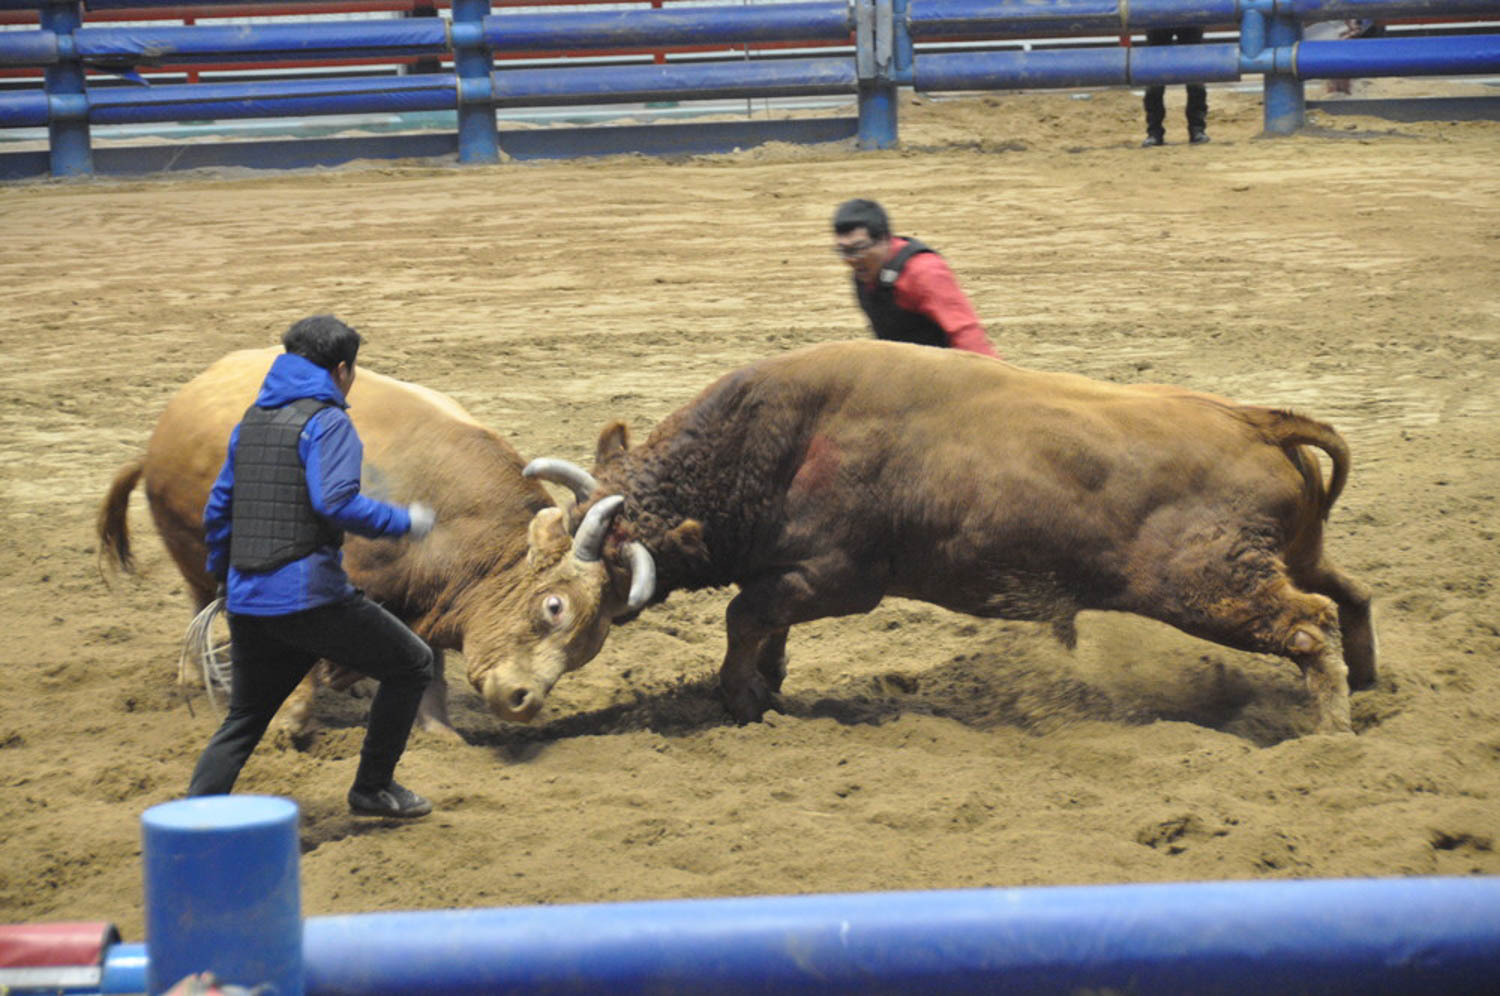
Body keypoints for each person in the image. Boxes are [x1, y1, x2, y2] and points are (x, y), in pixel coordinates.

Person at [187, 315, 439, 819]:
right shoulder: (328, 422)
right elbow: (337, 503)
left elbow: (219, 508)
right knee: (412, 665)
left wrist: (223, 577)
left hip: (248, 597)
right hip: (309, 598)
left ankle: (191, 819)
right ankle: (373, 788)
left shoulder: (253, 420)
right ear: (342, 370)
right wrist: (404, 521)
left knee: (245, 719)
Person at [830, 199, 1001, 358]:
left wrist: (993, 382)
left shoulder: (923, 272)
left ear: (884, 239)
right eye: (843, 251)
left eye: (859, 248)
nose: (851, 259)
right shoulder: (865, 272)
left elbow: (965, 332)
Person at [1140, 26, 1209, 146]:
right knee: (1155, 74)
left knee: (1194, 72)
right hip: (1159, 16)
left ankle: (1196, 129)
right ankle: (1154, 132)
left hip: (1187, 16)